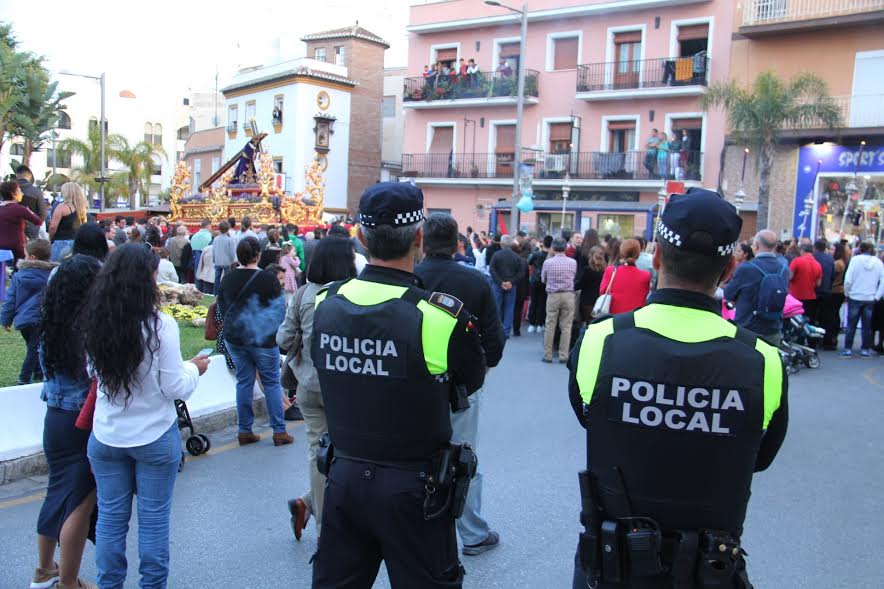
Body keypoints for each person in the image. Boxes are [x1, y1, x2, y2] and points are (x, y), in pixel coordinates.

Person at [568, 188, 788, 589]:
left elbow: (592, 420)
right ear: (728, 271)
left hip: (612, 567)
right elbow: (759, 455)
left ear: (656, 257)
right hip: (708, 571)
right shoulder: (763, 360)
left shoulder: (599, 341)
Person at [309, 182, 486, 589]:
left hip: (344, 478)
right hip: (416, 490)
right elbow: (470, 382)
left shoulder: (326, 303)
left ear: (361, 236)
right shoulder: (438, 317)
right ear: (419, 238)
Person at [83, 245, 210, 589]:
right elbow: (174, 387)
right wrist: (194, 369)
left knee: (111, 520)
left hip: (107, 436)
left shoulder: (96, 320)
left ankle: (109, 584)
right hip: (154, 436)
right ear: (148, 278)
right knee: (153, 522)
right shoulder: (160, 326)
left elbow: (93, 372)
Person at [414, 213, 506, 556]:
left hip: (412, 382)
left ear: (422, 240)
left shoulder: (409, 278)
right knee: (463, 456)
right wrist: (481, 369)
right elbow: (495, 341)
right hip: (462, 386)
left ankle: (416, 527)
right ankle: (471, 532)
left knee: (412, 455)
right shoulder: (475, 283)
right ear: (457, 245)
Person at [278, 238, 358, 541]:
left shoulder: (301, 295)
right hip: (347, 387)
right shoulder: (354, 295)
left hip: (310, 385)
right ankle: (327, 515)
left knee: (317, 452)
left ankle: (317, 512)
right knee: (353, 451)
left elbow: (283, 340)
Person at [30, 254, 101, 589]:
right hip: (80, 422)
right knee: (80, 503)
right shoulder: (88, 331)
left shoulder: (50, 327)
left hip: (54, 419)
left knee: (56, 492)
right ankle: (68, 582)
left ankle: (45, 569)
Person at [217, 236, 292, 446]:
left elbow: (221, 309)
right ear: (258, 255)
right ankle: (279, 431)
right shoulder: (268, 279)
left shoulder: (228, 278)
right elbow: (279, 310)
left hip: (235, 338)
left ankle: (244, 430)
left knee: (244, 382)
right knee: (271, 383)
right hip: (263, 340)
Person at [723, 230, 790, 346]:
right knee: (769, 362)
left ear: (757, 245)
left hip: (748, 327)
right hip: (773, 327)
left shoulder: (746, 268)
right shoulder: (784, 269)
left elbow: (728, 294)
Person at [1, 239, 54, 384]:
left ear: (32, 257)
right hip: (41, 318)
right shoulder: (52, 275)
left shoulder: (19, 276)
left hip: (24, 320)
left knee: (33, 347)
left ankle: (32, 374)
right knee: (35, 348)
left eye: (25, 255)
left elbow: (10, 299)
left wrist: (6, 319)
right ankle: (25, 377)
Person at [841, 241, 884, 358]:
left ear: (861, 249)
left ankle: (848, 348)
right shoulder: (878, 263)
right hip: (870, 297)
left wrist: (847, 292)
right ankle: (865, 349)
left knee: (851, 324)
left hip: (855, 296)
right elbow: (882, 282)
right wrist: (877, 296)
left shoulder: (855, 261)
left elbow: (848, 279)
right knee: (867, 325)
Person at [541, 238, 577, 363]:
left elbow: (543, 279)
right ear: (565, 248)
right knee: (566, 326)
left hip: (553, 295)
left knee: (550, 325)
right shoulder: (573, 262)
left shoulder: (548, 262)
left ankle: (548, 355)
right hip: (568, 295)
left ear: (553, 248)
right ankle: (563, 355)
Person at [599, 238, 652, 314]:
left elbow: (602, 292)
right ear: (638, 254)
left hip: (613, 318)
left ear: (621, 253)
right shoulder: (646, 276)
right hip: (635, 320)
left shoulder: (610, 271)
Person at [0, 180, 44, 265]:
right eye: (19, 191)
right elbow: (38, 221)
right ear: (13, 194)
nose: (22, 194)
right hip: (17, 247)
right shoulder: (20, 209)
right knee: (18, 270)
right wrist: (29, 211)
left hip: (1, 246)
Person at [489, 234, 524, 338]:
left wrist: (500, 282)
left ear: (501, 243)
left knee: (497, 308)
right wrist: (511, 282)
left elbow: (492, 270)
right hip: (511, 286)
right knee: (509, 308)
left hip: (498, 285)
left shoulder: (496, 255)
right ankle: (506, 331)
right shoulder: (517, 257)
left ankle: (498, 330)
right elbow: (521, 272)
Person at [48, 183, 88, 262]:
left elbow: (52, 227)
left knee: (55, 268)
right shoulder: (82, 208)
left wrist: (50, 237)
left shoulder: (62, 206)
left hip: (62, 242)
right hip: (77, 243)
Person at [789, 243, 823, 320]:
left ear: (802, 251)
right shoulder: (818, 264)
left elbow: (789, 277)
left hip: (796, 296)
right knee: (807, 320)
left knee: (795, 320)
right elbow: (818, 284)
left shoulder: (796, 261)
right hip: (811, 298)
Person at [15, 165, 49, 240]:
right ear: (30, 176)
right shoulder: (36, 192)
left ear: (16, 175)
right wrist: (35, 225)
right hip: (30, 232)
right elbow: (43, 213)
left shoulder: (6, 190)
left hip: (10, 230)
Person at [527, 235, 552, 333]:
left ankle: (532, 323)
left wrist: (537, 247)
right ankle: (540, 324)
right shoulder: (551, 256)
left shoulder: (536, 254)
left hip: (535, 280)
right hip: (546, 281)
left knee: (533, 301)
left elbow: (529, 261)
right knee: (543, 302)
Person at [575, 246, 606, 324]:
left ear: (590, 256)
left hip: (588, 301)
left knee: (590, 324)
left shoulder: (588, 270)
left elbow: (579, 285)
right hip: (602, 301)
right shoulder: (606, 270)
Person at [812, 239, 835, 342]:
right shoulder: (830, 259)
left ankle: (813, 339)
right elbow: (832, 276)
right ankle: (826, 339)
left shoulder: (813, 258)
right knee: (826, 317)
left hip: (814, 290)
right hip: (826, 291)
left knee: (813, 316)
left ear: (815, 248)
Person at [828, 242, 849, 350]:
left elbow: (832, 277)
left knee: (833, 314)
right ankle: (833, 336)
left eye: (832, 249)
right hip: (839, 291)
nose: (830, 251)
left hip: (835, 291)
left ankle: (832, 336)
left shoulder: (837, 263)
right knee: (835, 314)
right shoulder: (842, 262)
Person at [212, 220, 237, 295]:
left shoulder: (216, 239)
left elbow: (214, 250)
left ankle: (215, 293)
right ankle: (225, 293)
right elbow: (232, 253)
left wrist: (214, 259)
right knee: (226, 279)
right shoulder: (230, 240)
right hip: (227, 262)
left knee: (217, 279)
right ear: (228, 228)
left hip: (218, 261)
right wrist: (233, 261)